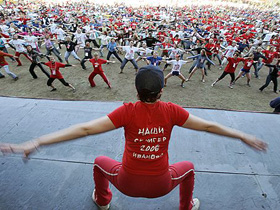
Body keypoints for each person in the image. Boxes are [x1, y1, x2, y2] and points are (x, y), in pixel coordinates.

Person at [0, 65, 267, 210]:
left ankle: (103, 201)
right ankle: (186, 206)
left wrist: (37, 141)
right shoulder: (172, 111)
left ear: (136, 90)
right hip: (162, 185)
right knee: (188, 169)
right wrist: (242, 135)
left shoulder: (126, 112)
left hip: (124, 183)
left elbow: (84, 129)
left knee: (99, 161)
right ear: (162, 91)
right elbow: (208, 127)